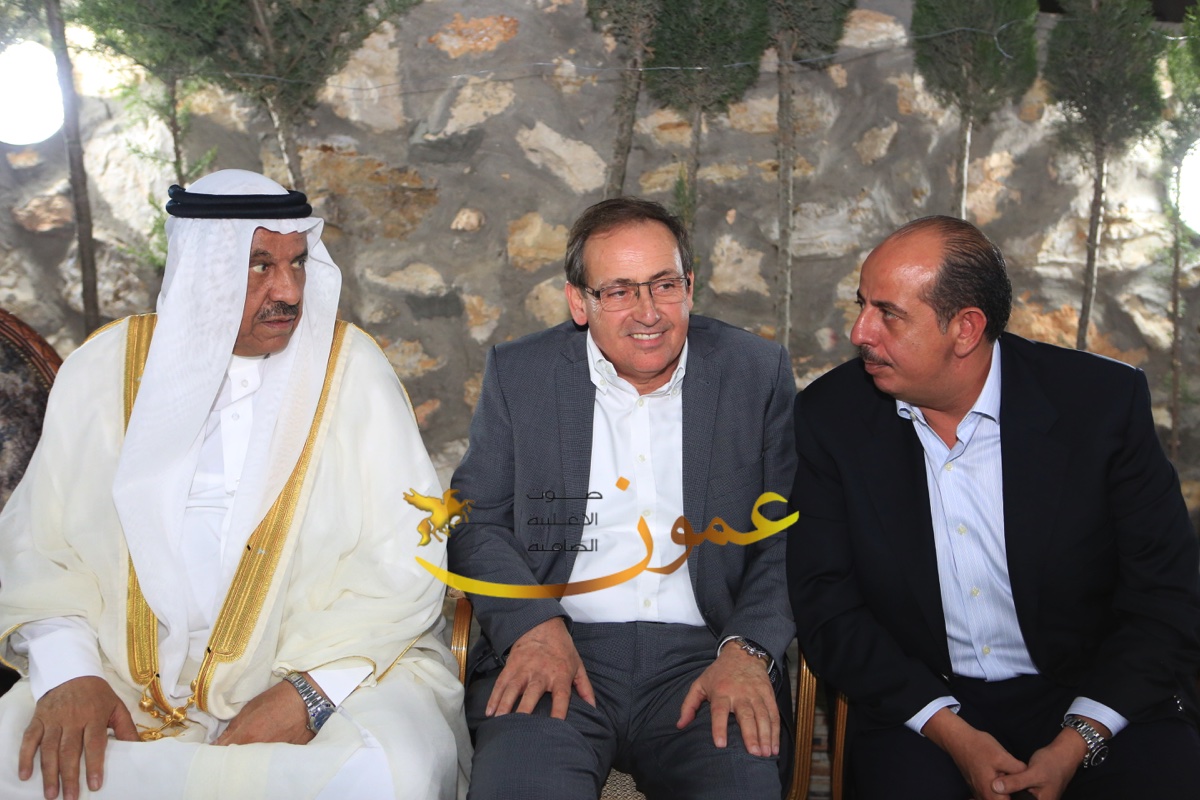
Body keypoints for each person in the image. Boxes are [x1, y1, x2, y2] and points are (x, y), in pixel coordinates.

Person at [0, 169, 469, 800]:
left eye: (298, 263)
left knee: (391, 771)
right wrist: (69, 673)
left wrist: (309, 694)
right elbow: (42, 549)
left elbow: (403, 563)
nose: (289, 291)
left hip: (330, 663)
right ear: (204, 269)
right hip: (117, 672)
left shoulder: (352, 370)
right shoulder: (102, 371)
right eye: (259, 265)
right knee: (15, 764)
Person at [788, 215, 1200, 800]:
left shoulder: (1099, 405)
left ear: (965, 328)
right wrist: (954, 735)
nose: (860, 331)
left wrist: (1077, 740)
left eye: (888, 313)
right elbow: (827, 606)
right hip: (922, 700)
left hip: (1096, 688)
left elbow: (1166, 596)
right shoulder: (832, 417)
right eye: (862, 305)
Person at [447, 197, 797, 799]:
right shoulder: (521, 373)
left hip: (709, 657)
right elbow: (475, 519)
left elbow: (791, 531)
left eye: (664, 285)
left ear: (690, 287)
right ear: (578, 302)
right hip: (559, 648)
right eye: (618, 291)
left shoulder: (754, 371)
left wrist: (748, 650)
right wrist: (532, 628)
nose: (648, 312)